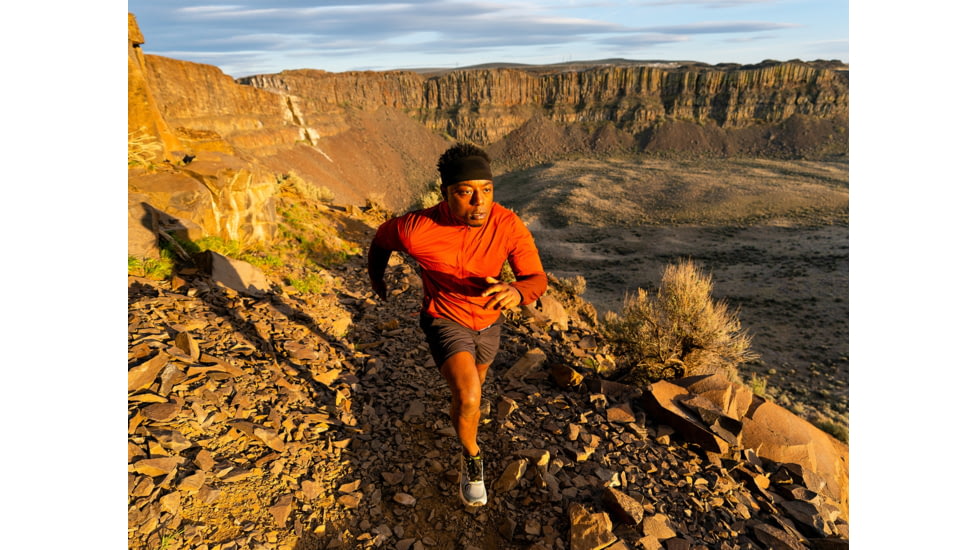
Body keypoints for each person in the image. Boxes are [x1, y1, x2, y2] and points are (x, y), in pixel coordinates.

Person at [367, 143, 548, 507]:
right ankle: (472, 458)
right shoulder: (416, 229)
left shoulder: (507, 224)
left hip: (489, 323)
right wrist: (377, 278)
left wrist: (516, 291)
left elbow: (536, 279)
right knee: (469, 396)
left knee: (472, 394)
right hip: (444, 317)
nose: (479, 202)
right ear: (445, 194)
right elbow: (381, 240)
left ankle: (464, 418)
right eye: (465, 192)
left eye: (486, 190)